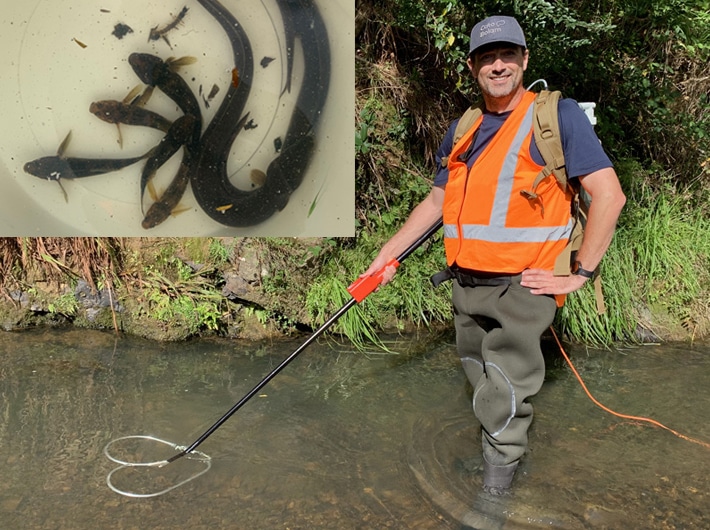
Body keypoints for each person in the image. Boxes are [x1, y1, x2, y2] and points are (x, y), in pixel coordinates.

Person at [362, 15, 626, 495]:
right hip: (466, 286)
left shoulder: (556, 117)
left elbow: (609, 196)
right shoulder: (464, 126)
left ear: (525, 60)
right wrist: (388, 253)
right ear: (472, 65)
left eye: (508, 55)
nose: (498, 65)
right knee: (481, 379)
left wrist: (580, 273)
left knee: (505, 385)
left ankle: (495, 493)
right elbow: (438, 202)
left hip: (522, 288)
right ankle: (495, 457)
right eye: (487, 56)